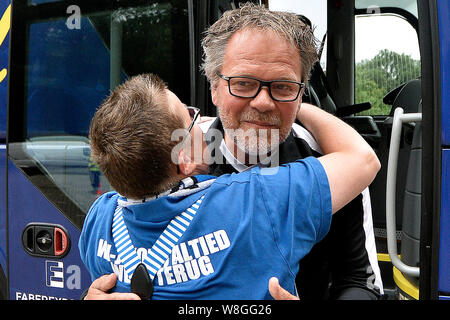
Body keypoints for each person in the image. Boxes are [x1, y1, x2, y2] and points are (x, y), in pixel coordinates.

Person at [78, 73, 380, 299]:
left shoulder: (98, 218)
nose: (204, 123)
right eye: (192, 117)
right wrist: (294, 103)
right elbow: (362, 159)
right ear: (183, 159)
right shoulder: (256, 201)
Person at [197, 3, 384, 300]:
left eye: (283, 87)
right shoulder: (175, 161)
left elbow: (358, 280)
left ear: (300, 94)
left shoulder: (333, 164)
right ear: (214, 88)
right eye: (244, 83)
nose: (263, 102)